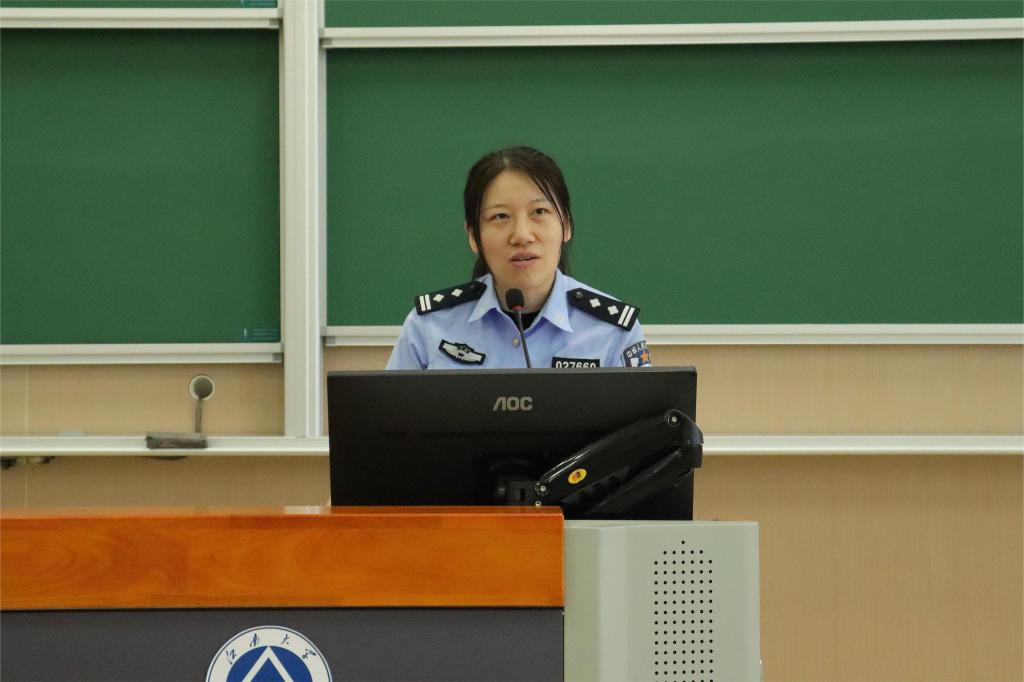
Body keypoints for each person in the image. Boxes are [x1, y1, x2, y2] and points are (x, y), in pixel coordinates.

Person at [386, 145, 652, 370]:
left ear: (566, 226)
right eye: (500, 216)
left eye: (539, 212)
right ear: (473, 236)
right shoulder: (429, 327)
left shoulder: (614, 332)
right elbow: (390, 415)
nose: (522, 235)